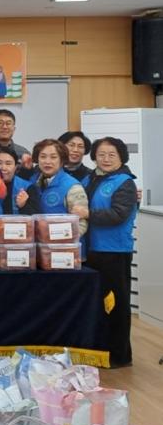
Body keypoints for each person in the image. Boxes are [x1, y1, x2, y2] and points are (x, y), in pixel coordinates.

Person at [82, 137, 138, 368]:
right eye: (101, 154)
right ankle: (99, 351)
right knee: (96, 303)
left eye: (111, 155)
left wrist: (87, 213)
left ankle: (119, 355)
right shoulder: (91, 178)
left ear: (121, 157)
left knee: (116, 304)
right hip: (91, 250)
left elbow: (118, 215)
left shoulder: (125, 183)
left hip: (114, 251)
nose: (105, 159)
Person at [18, 139, 89, 234]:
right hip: (37, 240)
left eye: (53, 157)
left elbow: (81, 224)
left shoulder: (73, 186)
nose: (47, 161)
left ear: (62, 160)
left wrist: (63, 239)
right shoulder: (32, 182)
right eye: (43, 157)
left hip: (64, 241)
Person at [0, 147, 32, 215]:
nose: (3, 168)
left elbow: (36, 216)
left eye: (8, 164)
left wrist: (23, 206)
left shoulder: (28, 187)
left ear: (15, 167)